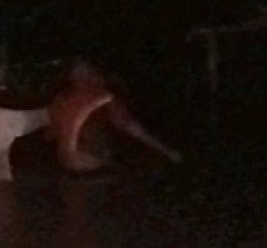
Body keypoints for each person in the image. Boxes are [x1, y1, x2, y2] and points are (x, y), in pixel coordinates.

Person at [48, 58, 181, 173]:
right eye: (77, 71)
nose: (81, 75)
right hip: (77, 170)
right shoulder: (64, 99)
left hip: (86, 167)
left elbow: (132, 127)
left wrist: (167, 152)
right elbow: (51, 133)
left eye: (85, 70)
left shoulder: (100, 98)